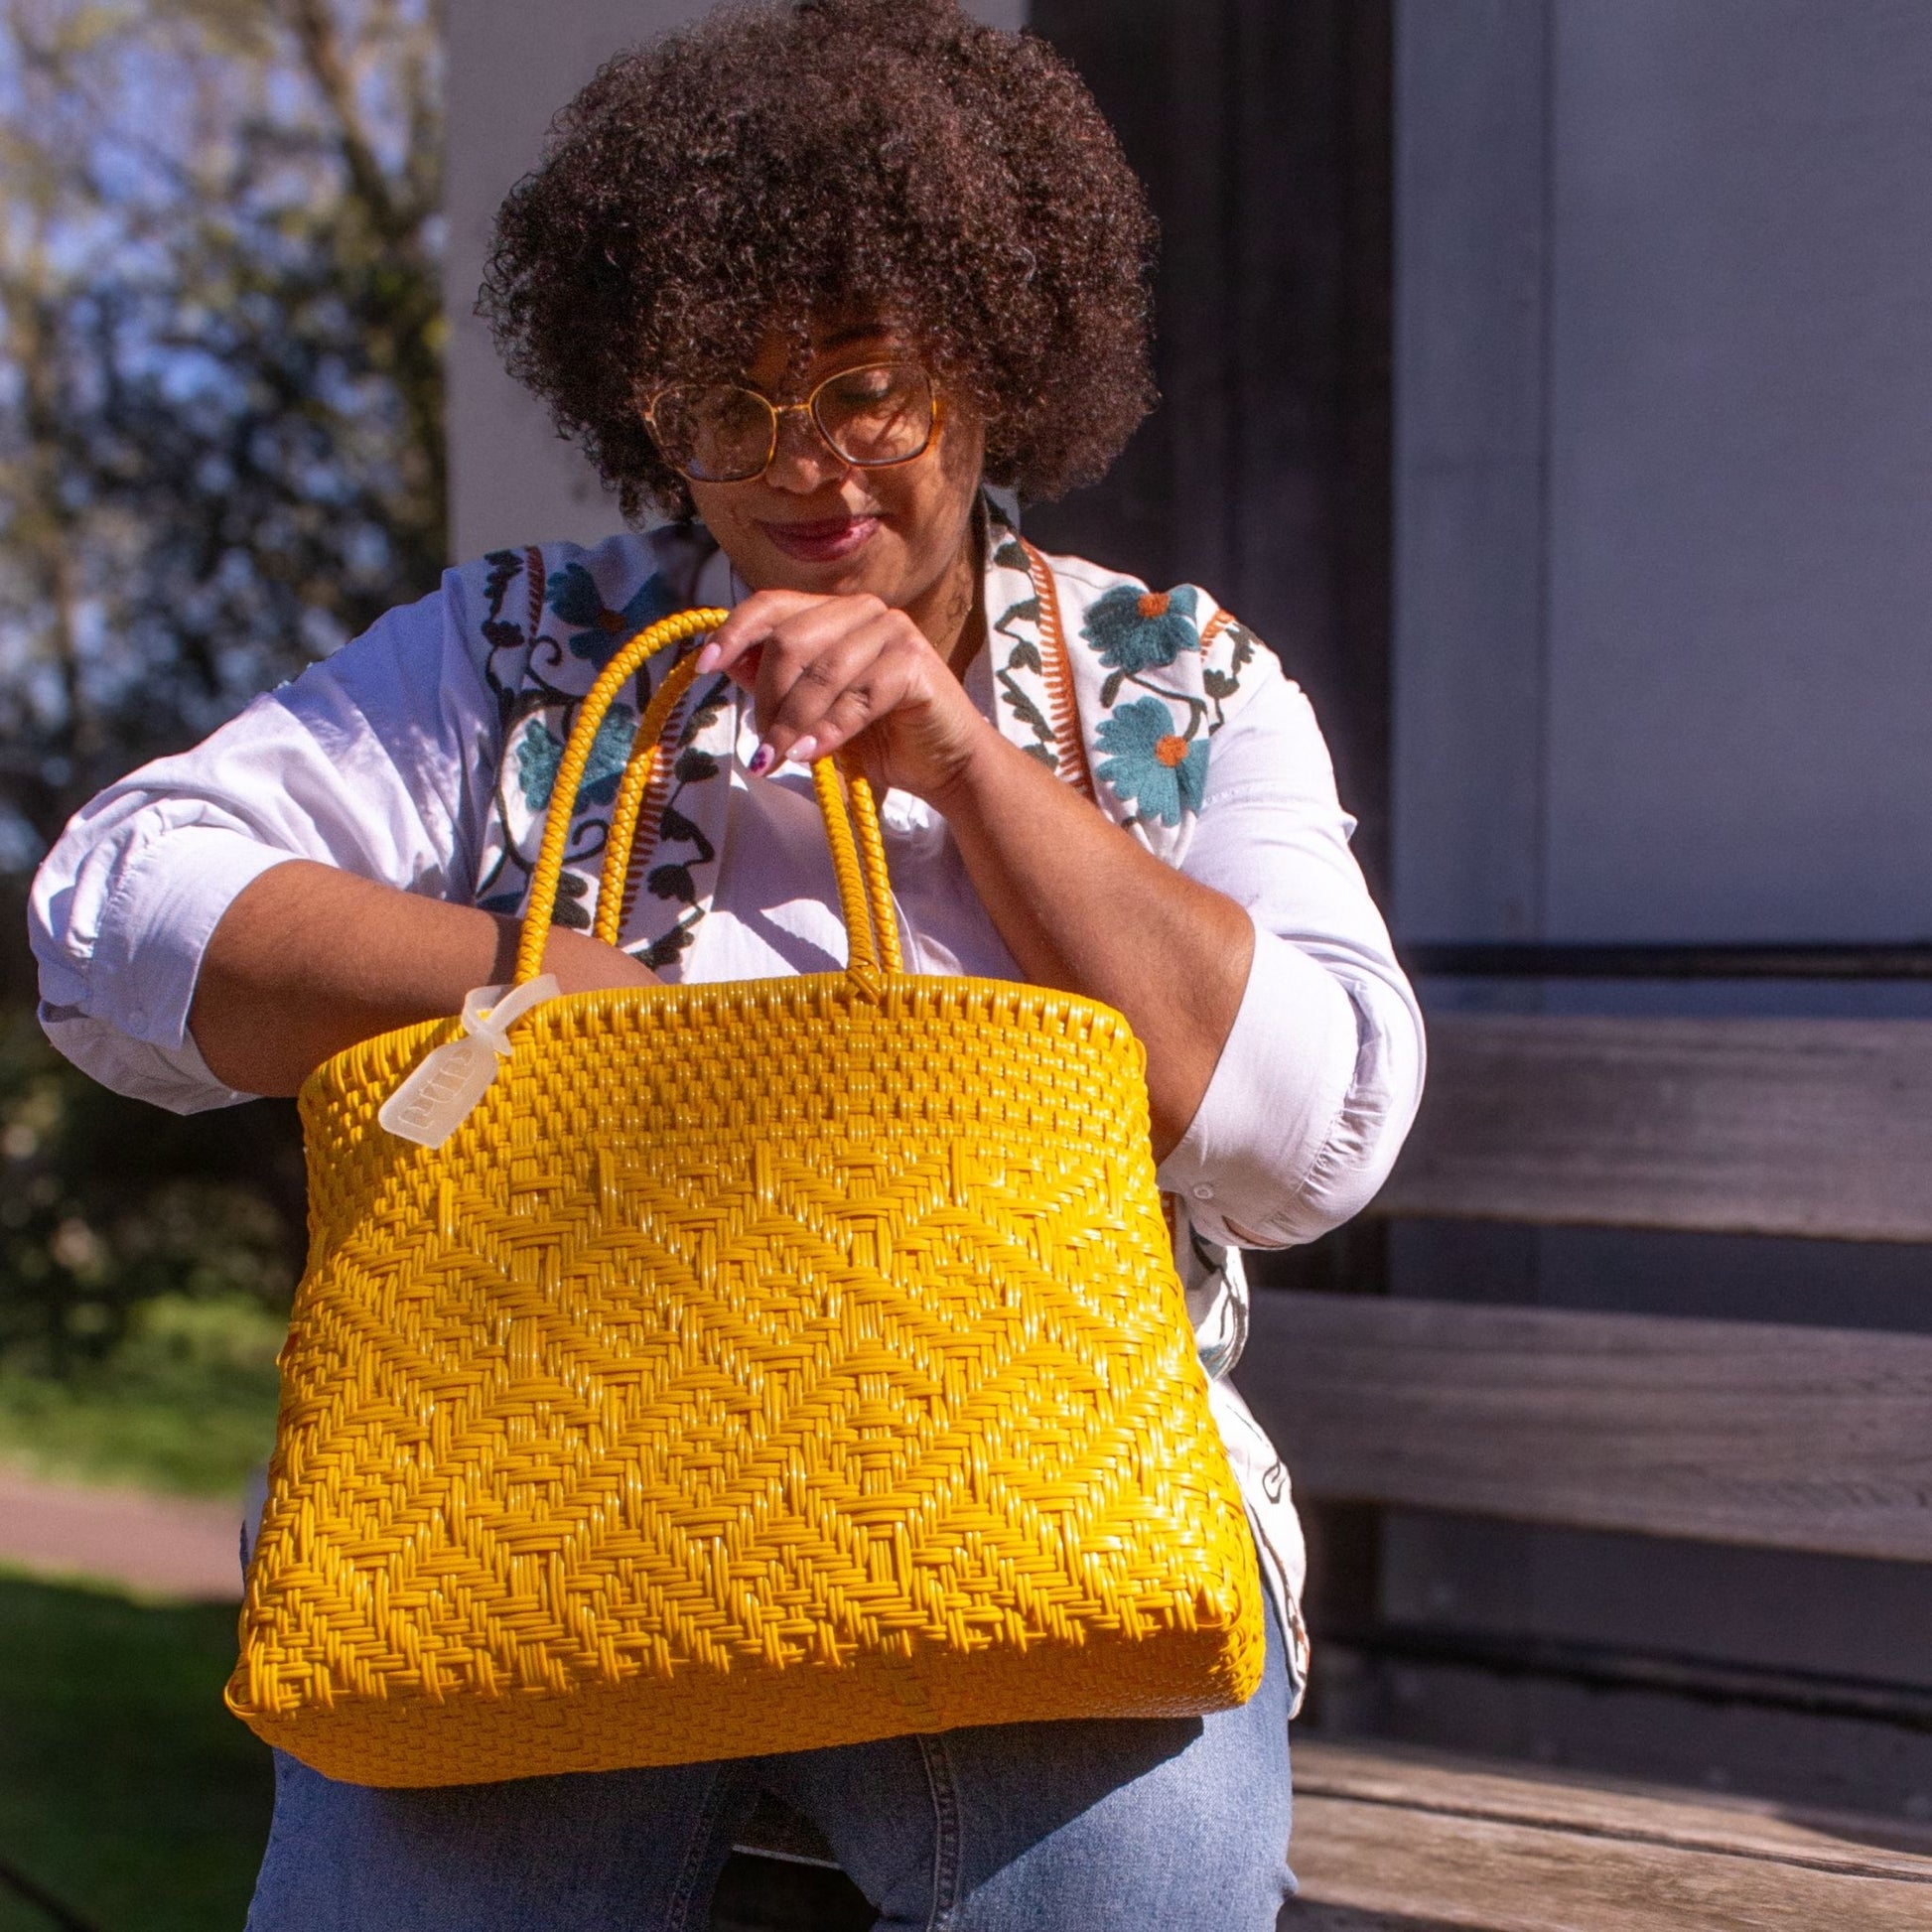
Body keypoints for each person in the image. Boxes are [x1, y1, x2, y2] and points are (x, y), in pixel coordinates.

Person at [28, 2, 1424, 1925]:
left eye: (863, 385)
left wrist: (966, 764)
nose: (805, 464)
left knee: (1128, 1873)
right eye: (727, 400)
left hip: (1043, 1511)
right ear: (640, 401)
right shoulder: (518, 658)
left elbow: (1316, 1126)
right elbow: (111, 909)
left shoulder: (1171, 687)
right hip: (542, 1491)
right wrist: (528, 982)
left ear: (992, 354)